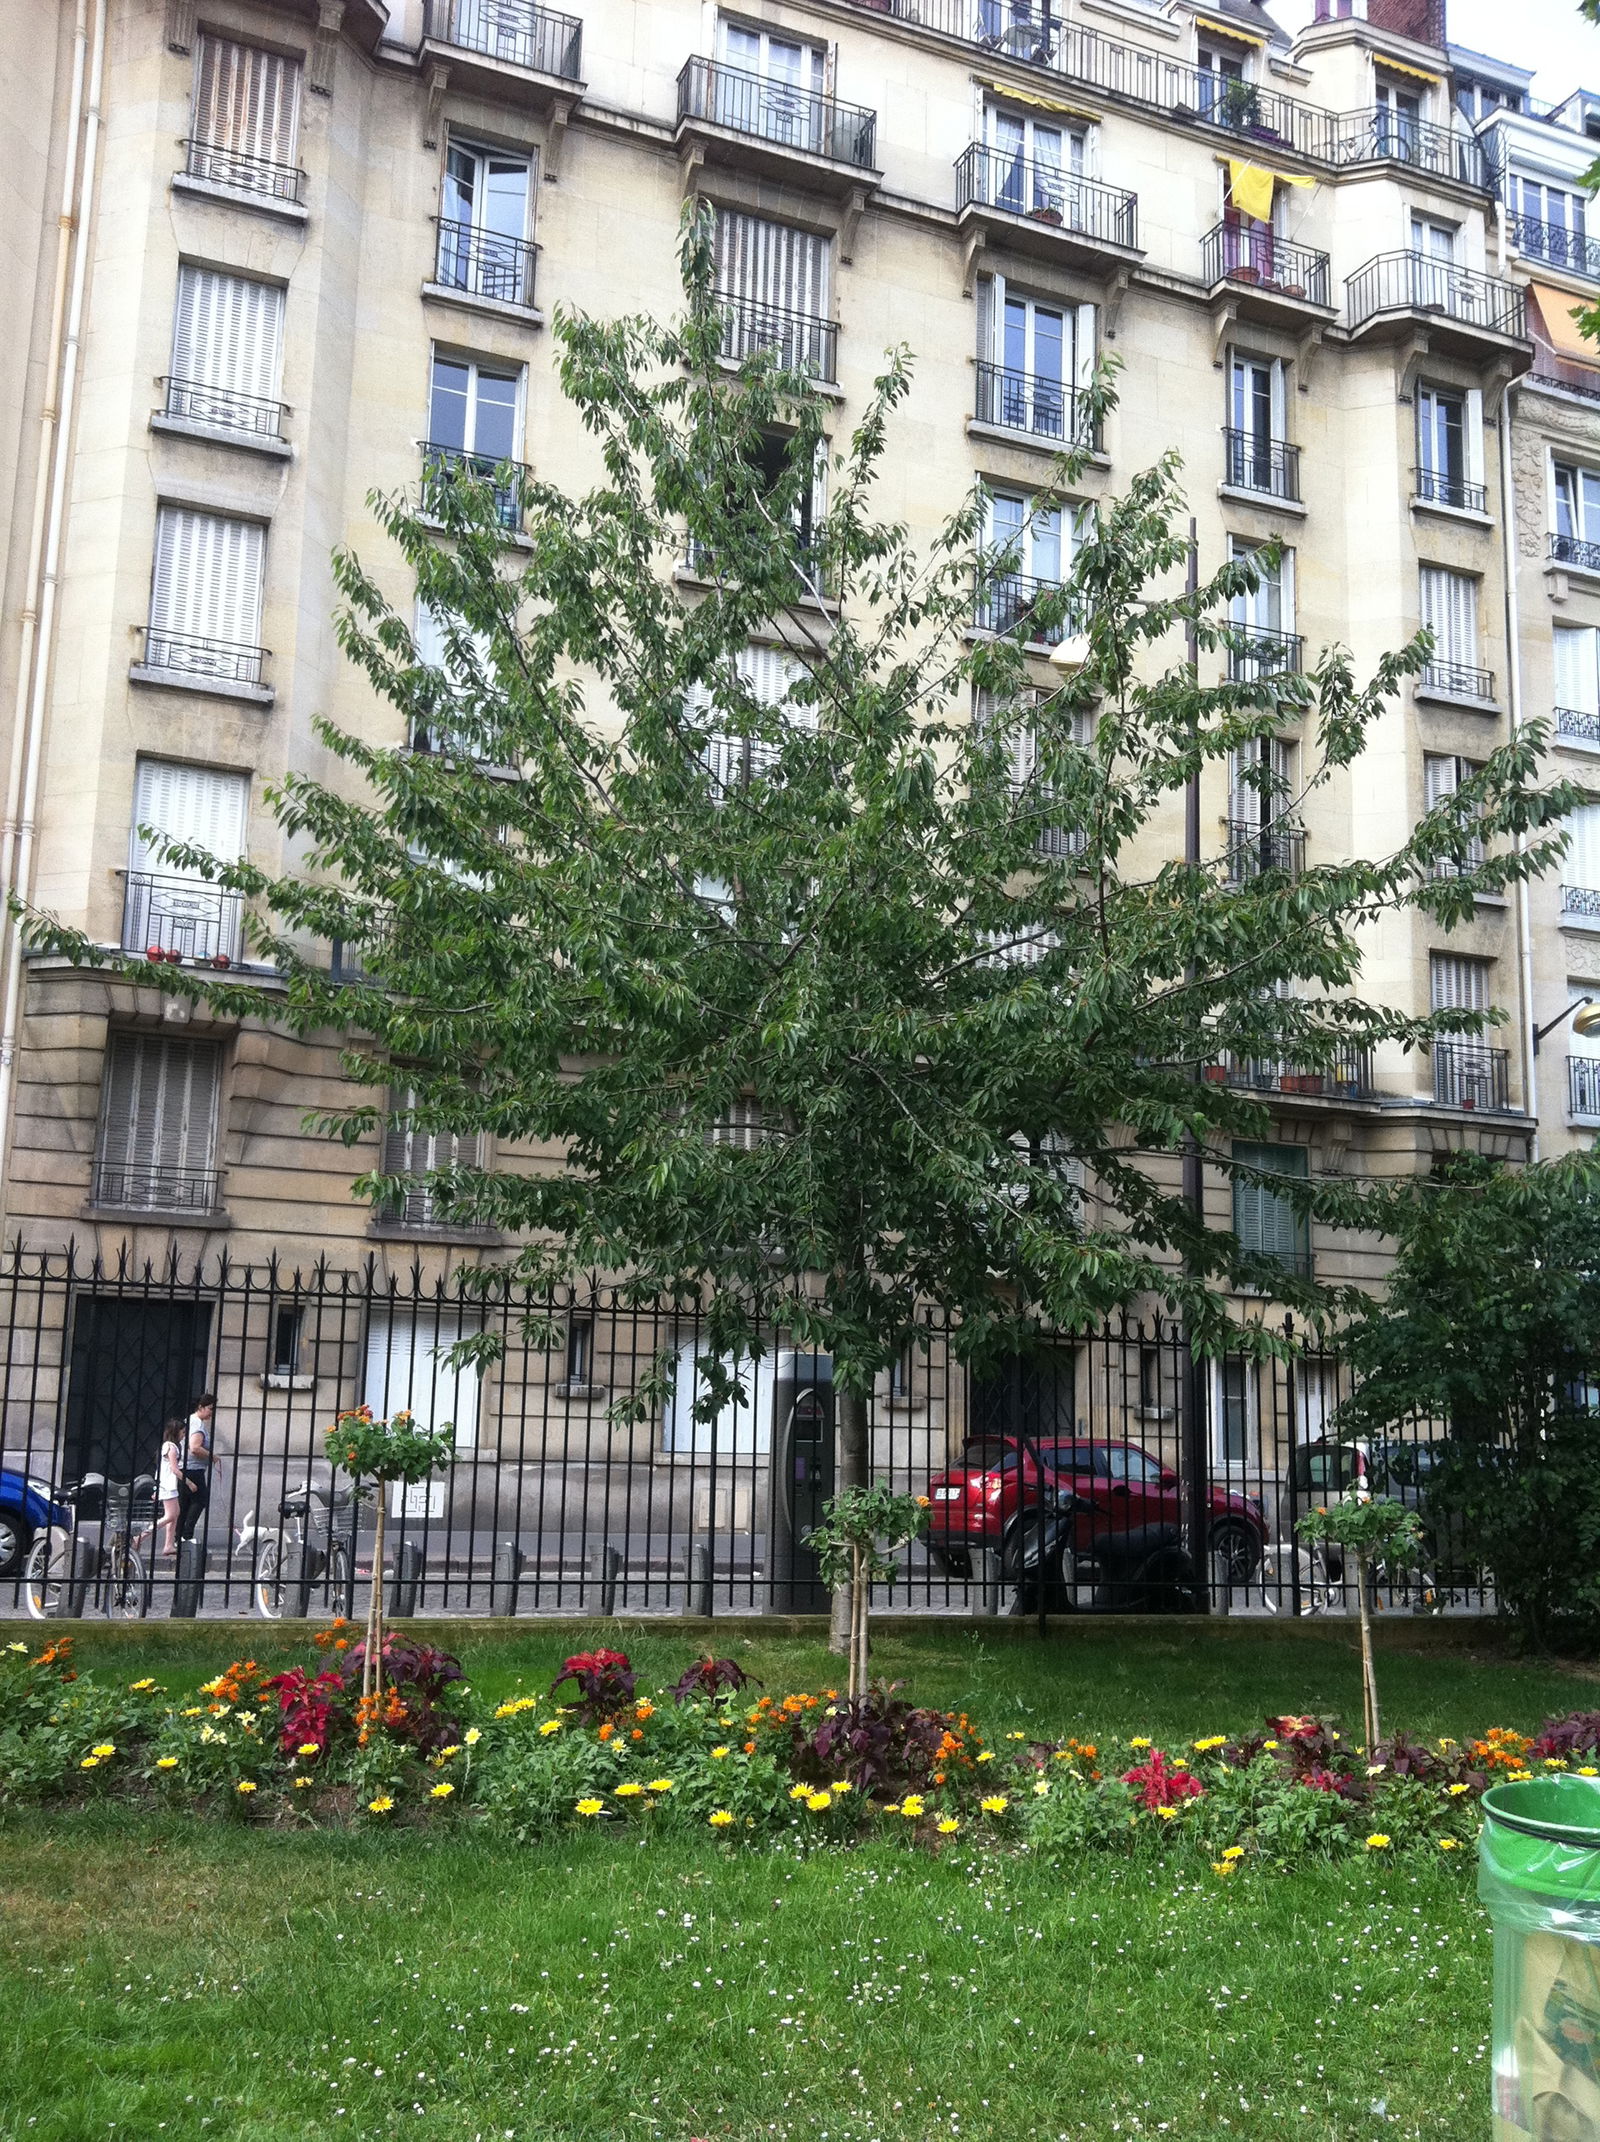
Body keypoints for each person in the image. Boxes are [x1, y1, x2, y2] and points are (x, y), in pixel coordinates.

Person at [179, 1392, 217, 1542]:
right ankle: (186, 1535)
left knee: (185, 1503)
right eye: (210, 1408)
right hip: (193, 1469)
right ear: (200, 1407)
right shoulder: (197, 1423)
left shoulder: (190, 1420)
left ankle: (179, 1536)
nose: (211, 1412)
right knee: (200, 1500)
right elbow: (194, 1447)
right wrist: (212, 1456)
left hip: (187, 1467)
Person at [155, 1418, 184, 1557]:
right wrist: (189, 1482)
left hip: (166, 1484)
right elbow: (174, 1469)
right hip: (168, 1485)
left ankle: (169, 1544)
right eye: (182, 1432)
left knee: (175, 1514)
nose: (183, 1435)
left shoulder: (168, 1446)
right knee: (171, 1515)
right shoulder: (171, 1447)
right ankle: (141, 1536)